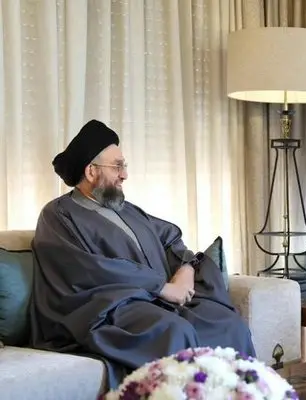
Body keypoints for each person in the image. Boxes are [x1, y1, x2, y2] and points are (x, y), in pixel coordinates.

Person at [29, 119, 256, 389]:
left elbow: (170, 238)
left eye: (124, 166)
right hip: (105, 308)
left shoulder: (128, 210)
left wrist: (186, 268)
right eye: (118, 166)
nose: (124, 174)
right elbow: (87, 269)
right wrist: (161, 287)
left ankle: (246, 393)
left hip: (154, 302)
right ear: (91, 171)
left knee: (229, 324)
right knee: (173, 331)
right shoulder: (58, 215)